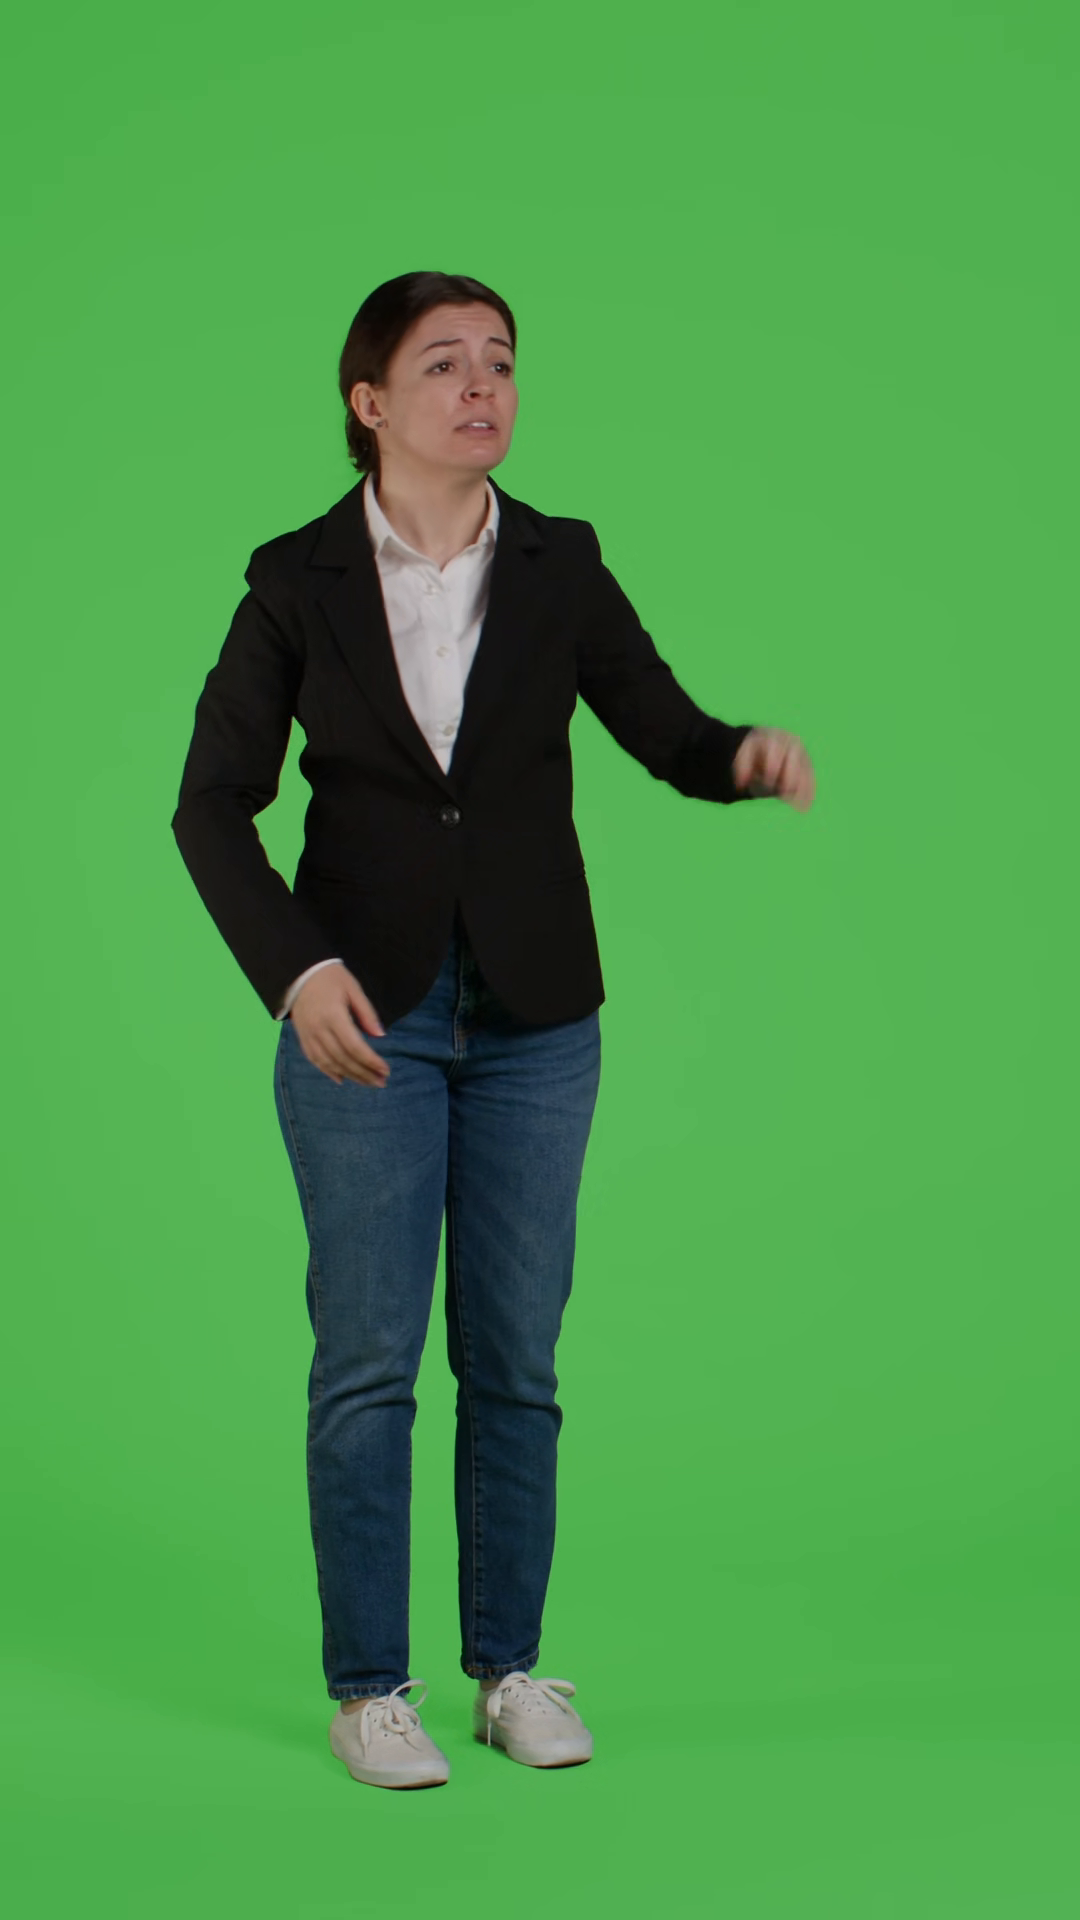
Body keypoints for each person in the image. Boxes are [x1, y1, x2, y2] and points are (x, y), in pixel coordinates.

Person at [171, 270, 815, 1793]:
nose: (483, 387)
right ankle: (367, 1690)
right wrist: (294, 969)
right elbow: (210, 806)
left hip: (536, 1018)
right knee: (369, 1362)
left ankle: (510, 1669)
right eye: (444, 364)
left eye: (502, 362)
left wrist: (739, 755)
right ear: (369, 403)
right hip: (365, 1020)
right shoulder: (293, 580)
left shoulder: (560, 562)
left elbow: (664, 730)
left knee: (516, 1358)